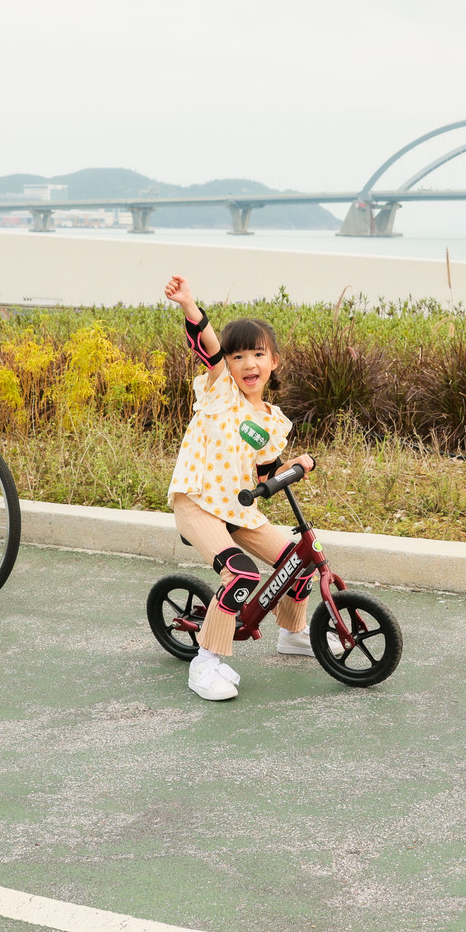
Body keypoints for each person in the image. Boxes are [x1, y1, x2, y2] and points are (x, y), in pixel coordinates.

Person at [162, 274, 317, 702]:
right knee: (243, 574)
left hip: (239, 507)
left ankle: (294, 632)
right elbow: (207, 344)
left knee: (298, 561)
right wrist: (190, 305)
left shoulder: (272, 420)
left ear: (274, 362)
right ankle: (205, 663)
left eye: (258, 354)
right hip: (198, 503)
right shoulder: (220, 390)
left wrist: (294, 466)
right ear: (227, 365)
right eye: (238, 356)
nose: (248, 364)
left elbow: (266, 472)